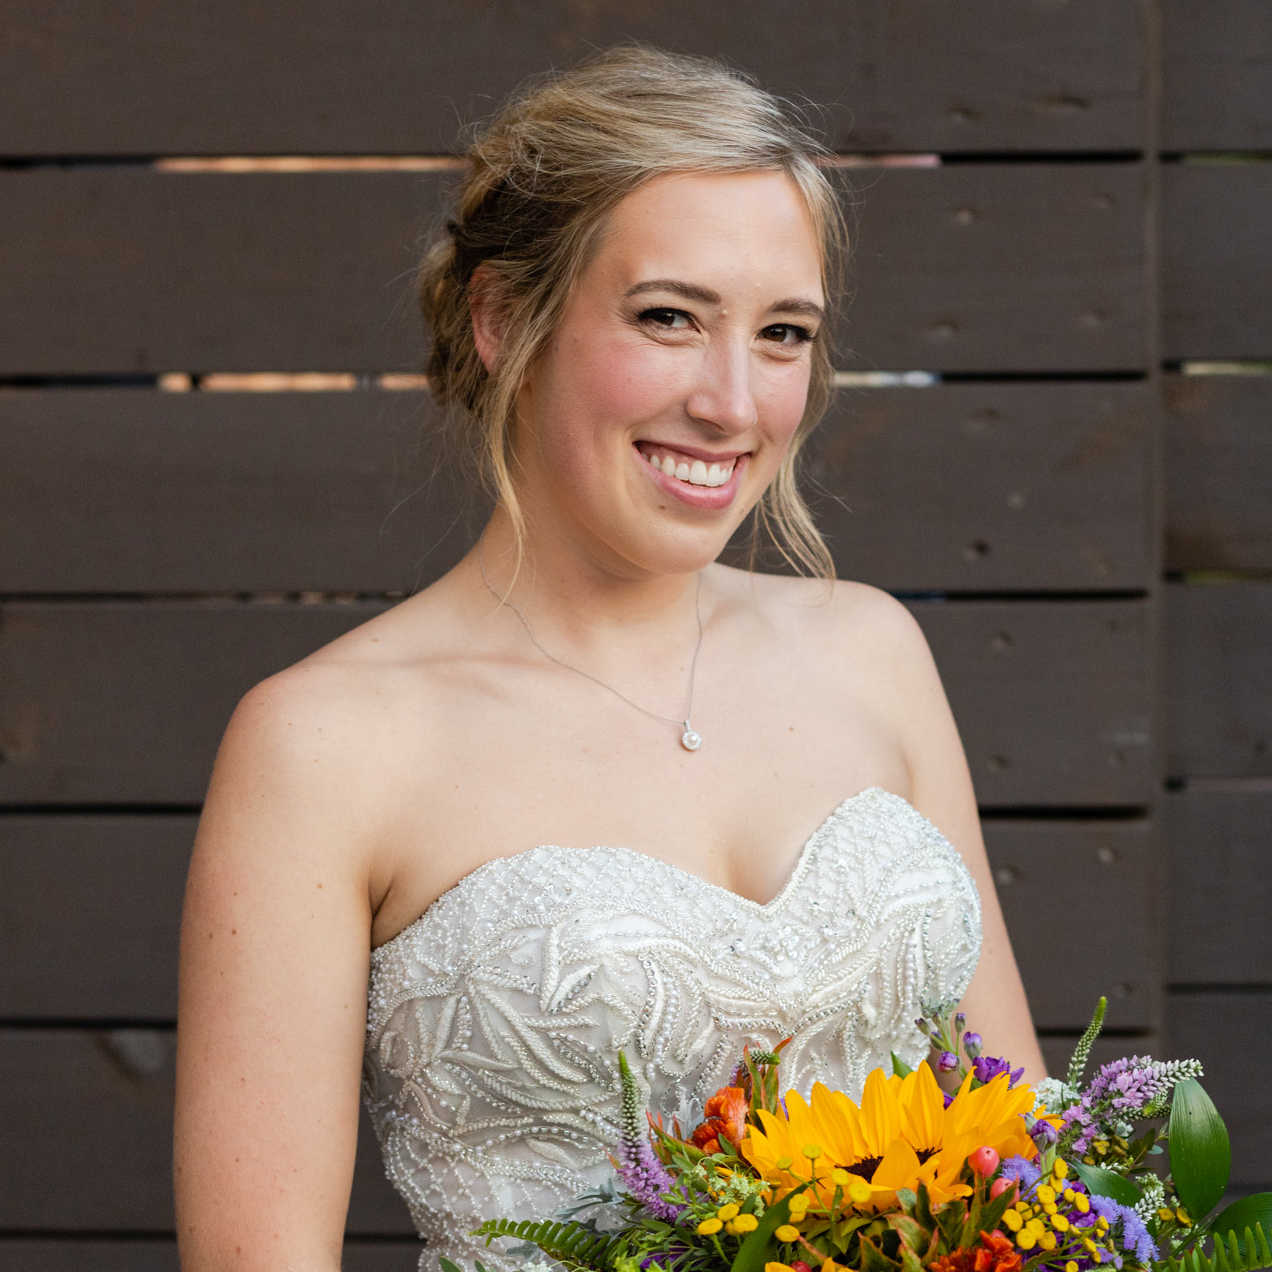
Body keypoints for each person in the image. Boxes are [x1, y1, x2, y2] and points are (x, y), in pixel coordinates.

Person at [173, 45, 1045, 1272]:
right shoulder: (325, 742)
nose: (734, 404)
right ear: (501, 318)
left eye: (784, 332)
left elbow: (1028, 1161)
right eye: (669, 319)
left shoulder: (873, 650)